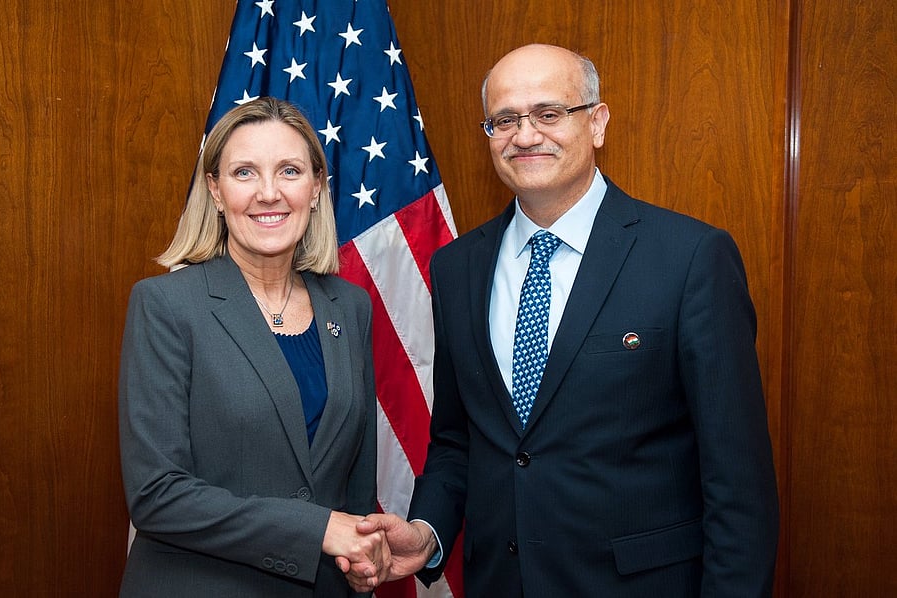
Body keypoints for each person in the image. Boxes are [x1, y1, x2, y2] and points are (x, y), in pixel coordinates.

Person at [351, 44, 779, 597]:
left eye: (549, 113)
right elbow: (459, 439)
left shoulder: (690, 258)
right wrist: (427, 531)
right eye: (505, 120)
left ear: (597, 123)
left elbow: (738, 482)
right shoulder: (457, 268)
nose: (525, 135)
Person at [118, 97, 386, 597]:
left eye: (289, 170)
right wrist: (316, 531)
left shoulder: (349, 307)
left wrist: (364, 551)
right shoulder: (167, 305)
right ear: (216, 191)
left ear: (316, 188)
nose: (269, 193)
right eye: (244, 173)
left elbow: (356, 489)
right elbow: (156, 496)